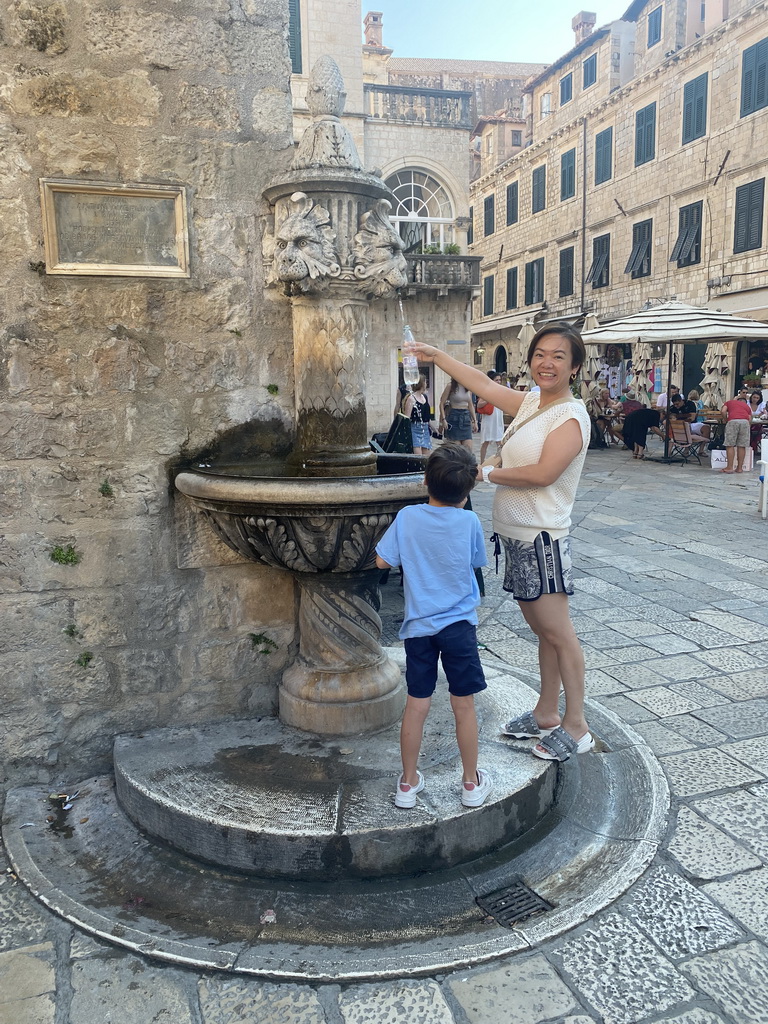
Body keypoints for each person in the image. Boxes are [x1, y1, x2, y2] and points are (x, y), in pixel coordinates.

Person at [406, 324, 594, 763]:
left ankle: (577, 725)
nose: (547, 363)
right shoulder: (532, 403)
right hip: (516, 537)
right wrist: (438, 356)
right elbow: (485, 384)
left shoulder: (570, 416)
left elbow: (544, 474)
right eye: (540, 354)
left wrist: (487, 473)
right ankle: (547, 712)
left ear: (575, 367)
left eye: (559, 357)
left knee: (560, 633)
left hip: (543, 538)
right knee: (543, 630)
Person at [375, 443, 491, 808]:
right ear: (467, 490)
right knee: (464, 705)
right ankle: (471, 783)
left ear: (424, 480)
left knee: (417, 704)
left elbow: (382, 562)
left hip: (419, 628)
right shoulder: (470, 521)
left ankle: (408, 784)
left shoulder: (407, 517)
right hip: (459, 625)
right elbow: (476, 560)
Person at [440, 378, 477, 449]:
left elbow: (470, 404)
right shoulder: (450, 386)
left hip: (466, 417)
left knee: (468, 448)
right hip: (454, 416)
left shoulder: (467, 387)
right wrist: (443, 419)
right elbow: (442, 403)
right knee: (456, 448)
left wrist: (474, 420)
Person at [401, 375, 434, 455]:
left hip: (425, 429)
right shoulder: (411, 399)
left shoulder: (425, 397)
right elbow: (407, 418)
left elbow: (427, 417)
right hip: (415, 429)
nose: (426, 383)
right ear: (421, 383)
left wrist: (434, 429)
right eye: (425, 381)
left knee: (427, 456)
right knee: (418, 456)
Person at [721, 388, 752, 473]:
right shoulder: (747, 406)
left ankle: (729, 467)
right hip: (745, 422)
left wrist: (726, 419)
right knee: (742, 445)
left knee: (730, 444)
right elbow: (749, 418)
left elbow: (723, 411)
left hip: (733, 421)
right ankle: (739, 468)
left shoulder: (729, 402)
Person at [479, 370, 505, 463]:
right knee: (486, 442)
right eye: (496, 380)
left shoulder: (502, 390)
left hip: (498, 418)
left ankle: (500, 461)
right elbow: (479, 405)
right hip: (489, 419)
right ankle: (482, 461)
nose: (498, 382)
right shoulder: (486, 391)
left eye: (499, 380)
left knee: (499, 441)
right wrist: (489, 399)